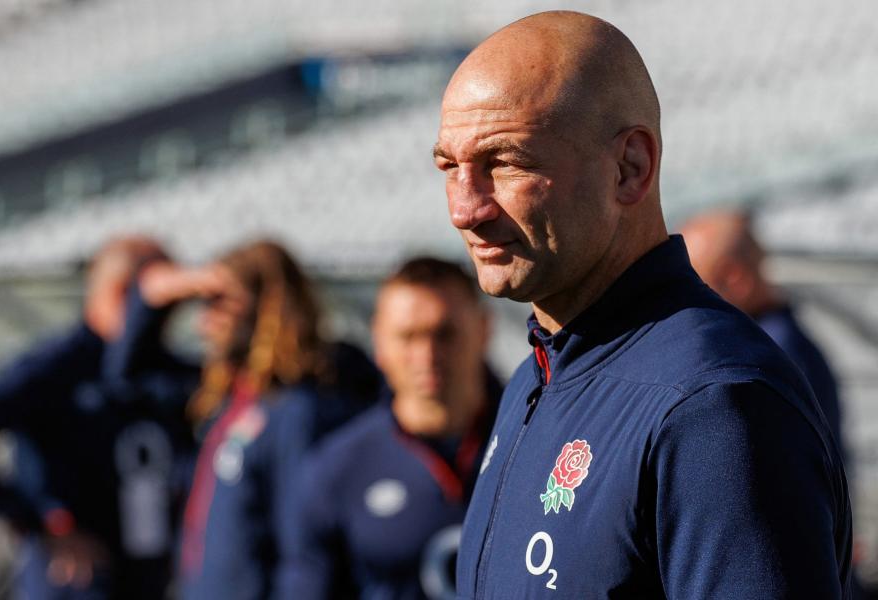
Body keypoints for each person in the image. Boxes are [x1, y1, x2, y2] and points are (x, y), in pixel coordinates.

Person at [433, 11, 852, 599]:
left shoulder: (711, 406)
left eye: (506, 162)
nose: (464, 209)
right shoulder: (538, 373)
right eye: (450, 167)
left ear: (630, 168)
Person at [0, 236, 197, 599]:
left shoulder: (162, 371)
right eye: (159, 305)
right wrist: (39, 525)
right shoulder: (58, 366)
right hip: (77, 581)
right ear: (121, 293)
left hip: (146, 577)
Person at [277, 257, 501, 600]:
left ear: (484, 330)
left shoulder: (537, 442)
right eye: (408, 337)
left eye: (445, 334)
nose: (427, 355)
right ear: (379, 343)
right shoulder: (335, 471)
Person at [173, 240, 380, 600]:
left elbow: (302, 547)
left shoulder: (297, 410)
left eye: (219, 301)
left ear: (266, 307)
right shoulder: (230, 399)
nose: (204, 321)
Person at [681, 210, 844, 451]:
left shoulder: (771, 357)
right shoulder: (773, 344)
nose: (682, 304)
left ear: (735, 279)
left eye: (693, 285)